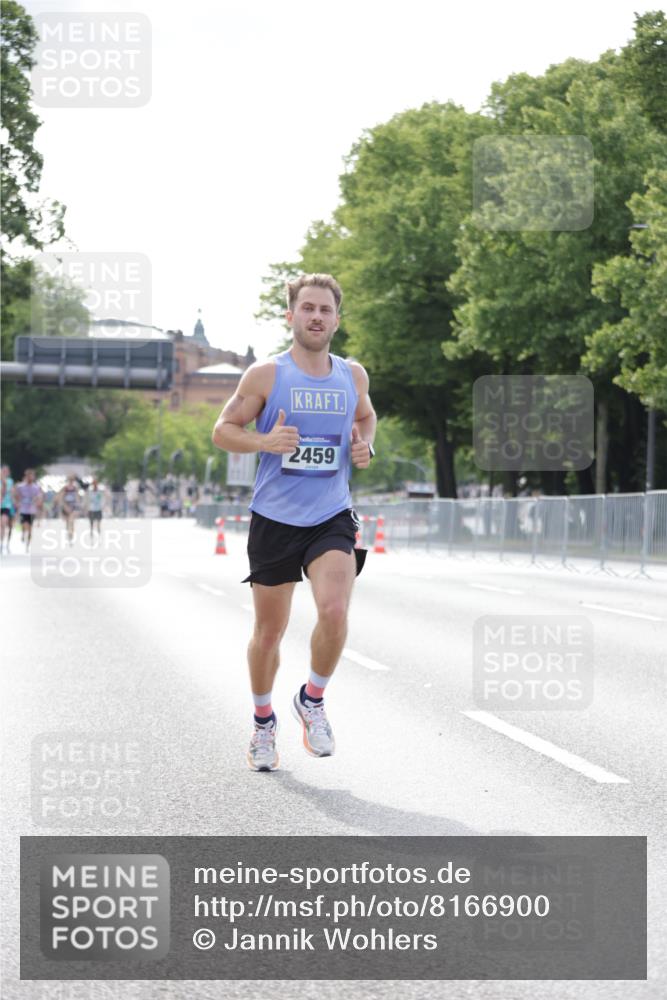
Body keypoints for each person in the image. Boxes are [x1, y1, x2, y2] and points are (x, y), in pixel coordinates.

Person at [212, 273, 376, 772]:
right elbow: (223, 430)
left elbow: (366, 419)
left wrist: (365, 445)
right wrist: (265, 443)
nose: (316, 317)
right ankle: (263, 721)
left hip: (330, 514)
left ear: (336, 320)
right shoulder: (266, 375)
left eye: (325, 310)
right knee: (269, 632)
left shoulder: (353, 376)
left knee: (334, 609)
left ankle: (312, 699)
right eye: (307, 308)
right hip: (275, 518)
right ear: (291, 316)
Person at [13, 469, 43, 551]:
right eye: (29, 476)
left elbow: (40, 497)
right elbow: (16, 495)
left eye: (32, 476)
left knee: (30, 528)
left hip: (32, 510)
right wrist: (17, 502)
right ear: (26, 477)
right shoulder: (20, 486)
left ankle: (28, 546)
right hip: (23, 509)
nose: (30, 478)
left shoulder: (36, 487)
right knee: (24, 525)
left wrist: (38, 501)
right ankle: (23, 533)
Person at [57, 475, 80, 546]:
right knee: (67, 523)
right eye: (70, 480)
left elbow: (77, 497)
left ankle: (71, 536)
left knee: (72, 522)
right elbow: (61, 497)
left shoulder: (75, 488)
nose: (71, 482)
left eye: (72, 481)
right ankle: (69, 534)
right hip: (66, 506)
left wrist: (78, 505)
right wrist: (64, 506)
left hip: (73, 506)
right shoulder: (65, 488)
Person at [1, 465, 16, 554]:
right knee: (1, 525)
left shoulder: (9, 481)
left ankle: (5, 543)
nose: (4, 472)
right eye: (3, 471)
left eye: (6, 471)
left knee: (6, 525)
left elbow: (10, 492)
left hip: (7, 505)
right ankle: (2, 543)